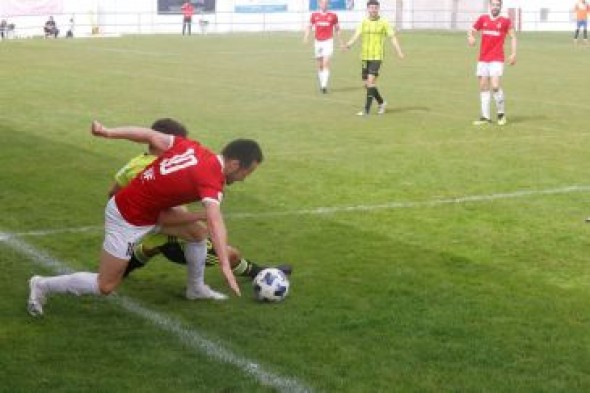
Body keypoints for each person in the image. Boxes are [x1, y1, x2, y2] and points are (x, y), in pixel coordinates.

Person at [27, 120, 263, 316]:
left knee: (197, 233)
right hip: (127, 218)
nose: (244, 178)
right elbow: (216, 221)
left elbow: (148, 134)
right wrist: (224, 264)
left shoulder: (193, 148)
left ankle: (196, 288)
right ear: (233, 164)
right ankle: (41, 284)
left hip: (151, 212)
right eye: (247, 172)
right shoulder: (212, 180)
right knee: (105, 285)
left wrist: (109, 132)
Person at [109, 119, 292, 281]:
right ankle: (261, 274)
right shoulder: (166, 173)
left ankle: (120, 271)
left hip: (146, 227)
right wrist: (201, 216)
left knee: (154, 244)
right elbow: (173, 216)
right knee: (231, 255)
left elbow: (113, 194)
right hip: (175, 239)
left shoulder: (135, 163)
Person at [343, 0, 404, 116]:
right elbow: (356, 35)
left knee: (370, 82)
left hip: (377, 57)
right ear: (368, 9)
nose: (373, 10)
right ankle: (382, 103)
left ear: (378, 9)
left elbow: (393, 37)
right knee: (367, 85)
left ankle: (366, 110)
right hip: (365, 57)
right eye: (371, 8)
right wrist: (348, 45)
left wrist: (399, 51)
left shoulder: (384, 23)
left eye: (375, 8)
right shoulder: (364, 22)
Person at [468, 0, 517, 126]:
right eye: (493, 5)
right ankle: (485, 117)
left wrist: (513, 53)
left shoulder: (505, 21)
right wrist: (471, 37)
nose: (495, 7)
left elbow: (513, 37)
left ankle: (501, 114)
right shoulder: (483, 19)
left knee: (495, 86)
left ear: (501, 6)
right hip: (483, 59)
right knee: (483, 86)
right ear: (490, 6)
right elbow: (472, 30)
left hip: (497, 58)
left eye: (498, 5)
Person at [303, 0, 343, 94]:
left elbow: (337, 29)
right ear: (319, 4)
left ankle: (324, 86)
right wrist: (306, 37)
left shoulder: (333, 16)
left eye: (326, 3)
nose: (324, 5)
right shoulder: (314, 15)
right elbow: (309, 27)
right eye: (322, 3)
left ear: (328, 4)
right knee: (320, 65)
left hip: (328, 41)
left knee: (325, 63)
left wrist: (341, 41)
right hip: (318, 42)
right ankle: (322, 84)